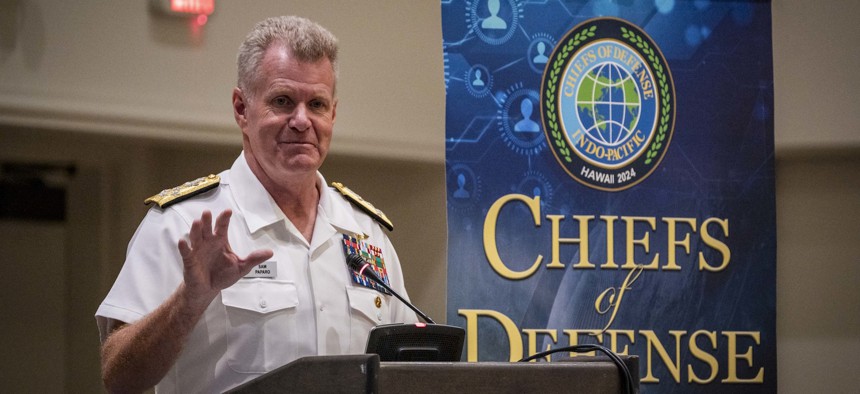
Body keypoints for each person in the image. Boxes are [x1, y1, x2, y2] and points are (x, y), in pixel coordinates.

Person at [95, 16, 418, 393]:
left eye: (316, 104)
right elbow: (118, 377)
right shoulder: (184, 223)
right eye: (282, 101)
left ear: (333, 113)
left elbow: (406, 371)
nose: (301, 120)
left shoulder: (367, 235)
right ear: (241, 109)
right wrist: (189, 302)